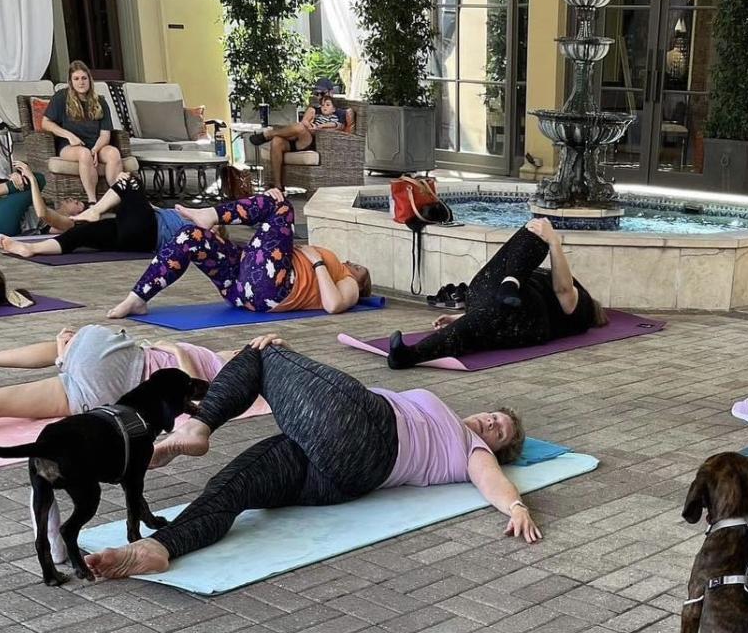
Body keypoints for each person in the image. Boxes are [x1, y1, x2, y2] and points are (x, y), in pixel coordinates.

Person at [84, 336, 540, 580]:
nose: (490, 423)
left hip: (371, 433)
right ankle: (158, 549)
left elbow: (491, 484)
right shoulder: (449, 416)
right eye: (492, 415)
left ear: (498, 448)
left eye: (500, 431)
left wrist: (516, 507)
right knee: (234, 486)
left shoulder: (472, 451)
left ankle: (197, 428)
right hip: (338, 475)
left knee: (263, 354)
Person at [104, 189, 371, 318]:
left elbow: (334, 306)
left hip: (271, 288)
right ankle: (137, 298)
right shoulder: (340, 269)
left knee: (281, 205)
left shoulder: (348, 282)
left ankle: (210, 214)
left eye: (358, 268)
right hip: (243, 284)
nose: (352, 263)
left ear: (360, 282)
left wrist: (318, 262)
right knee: (190, 237)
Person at [387, 218, 607, 369]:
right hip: (500, 304)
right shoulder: (572, 310)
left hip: (521, 315)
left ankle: (509, 285)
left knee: (538, 232)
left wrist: (554, 242)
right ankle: (408, 355)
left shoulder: (583, 306)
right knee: (483, 323)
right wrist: (460, 318)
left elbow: (565, 294)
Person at [0, 325, 236, 438]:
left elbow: (195, 392)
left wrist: (177, 349)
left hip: (126, 373)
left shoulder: (232, 373)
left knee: (68, 342)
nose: (239, 349)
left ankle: (63, 355)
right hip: (104, 381)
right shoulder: (219, 357)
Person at [0, 161, 186, 259]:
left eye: (76, 200)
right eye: (71, 200)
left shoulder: (201, 227)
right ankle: (31, 248)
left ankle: (94, 209)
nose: (72, 199)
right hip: (132, 235)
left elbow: (43, 214)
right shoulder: (75, 222)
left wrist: (31, 178)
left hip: (151, 230)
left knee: (130, 181)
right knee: (80, 233)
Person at [40, 61, 123, 204]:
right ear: (71, 82)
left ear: (89, 79)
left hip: (95, 145)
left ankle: (116, 198)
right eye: (76, 79)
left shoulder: (100, 101)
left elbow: (105, 135)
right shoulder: (61, 97)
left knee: (113, 153)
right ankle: (92, 201)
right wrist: (69, 135)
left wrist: (96, 149)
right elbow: (45, 123)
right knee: (84, 154)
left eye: (84, 78)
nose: (81, 82)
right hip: (69, 147)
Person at [248, 80, 352, 189]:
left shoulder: (339, 112)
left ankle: (269, 134)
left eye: (322, 93)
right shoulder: (313, 109)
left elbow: (341, 128)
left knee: (300, 127)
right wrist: (310, 123)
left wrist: (320, 128)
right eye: (316, 93)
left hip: (313, 142)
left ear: (331, 92)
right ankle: (278, 186)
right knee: (277, 141)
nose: (319, 97)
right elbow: (304, 123)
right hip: (298, 139)